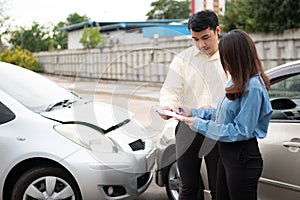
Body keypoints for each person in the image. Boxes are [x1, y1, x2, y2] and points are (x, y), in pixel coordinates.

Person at [175, 29, 273, 200]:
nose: (223, 61)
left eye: (225, 56)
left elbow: (240, 131)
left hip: (242, 158)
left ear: (236, 57)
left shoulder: (254, 87)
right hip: (226, 154)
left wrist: (198, 124)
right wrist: (194, 112)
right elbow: (222, 115)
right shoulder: (236, 81)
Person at [158, 10, 228, 200]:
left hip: (217, 128)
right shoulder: (182, 59)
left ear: (217, 31)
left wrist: (215, 109)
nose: (201, 44)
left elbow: (238, 93)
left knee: (218, 187)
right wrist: (167, 106)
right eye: (195, 39)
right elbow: (170, 90)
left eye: (205, 37)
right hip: (187, 127)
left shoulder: (230, 57)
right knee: (188, 186)